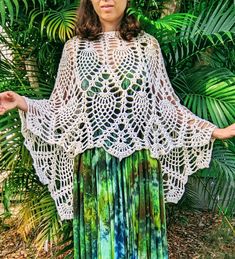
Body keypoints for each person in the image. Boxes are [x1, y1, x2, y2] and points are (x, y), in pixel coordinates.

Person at [0, 0, 235, 258]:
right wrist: (23, 103)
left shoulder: (148, 47)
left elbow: (168, 108)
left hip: (140, 168)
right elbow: (60, 108)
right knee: (99, 247)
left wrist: (216, 131)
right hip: (93, 169)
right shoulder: (74, 49)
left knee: (142, 246)